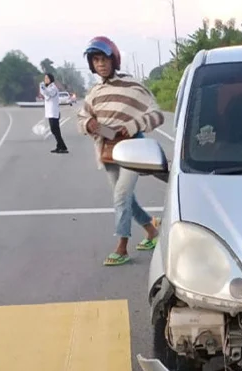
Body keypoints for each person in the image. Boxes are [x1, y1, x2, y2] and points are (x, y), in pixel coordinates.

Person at [76, 36, 164, 267]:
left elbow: (157, 114)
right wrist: (89, 124)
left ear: (113, 60)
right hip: (107, 151)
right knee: (125, 198)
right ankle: (151, 230)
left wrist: (133, 125)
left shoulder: (133, 86)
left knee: (121, 196)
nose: (100, 64)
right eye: (96, 60)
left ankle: (122, 247)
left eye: (104, 59)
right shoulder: (94, 93)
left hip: (133, 150)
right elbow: (81, 118)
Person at [39, 73, 68, 154]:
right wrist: (42, 87)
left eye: (47, 78)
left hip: (54, 113)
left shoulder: (53, 87)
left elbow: (49, 94)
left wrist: (43, 87)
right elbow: (43, 93)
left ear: (51, 79)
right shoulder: (48, 87)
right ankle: (59, 146)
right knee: (54, 130)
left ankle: (63, 147)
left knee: (55, 130)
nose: (45, 80)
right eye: (45, 78)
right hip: (50, 113)